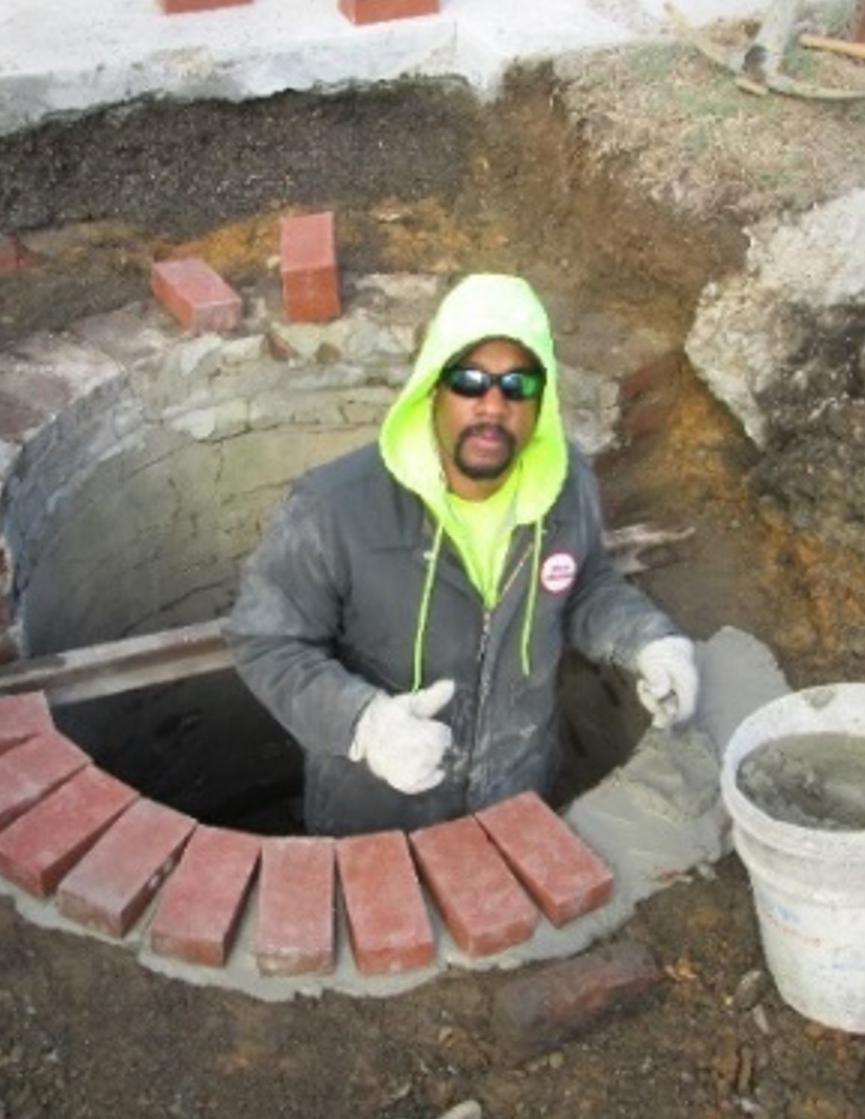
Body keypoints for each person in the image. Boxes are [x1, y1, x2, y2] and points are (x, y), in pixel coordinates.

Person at [225, 272, 698, 837]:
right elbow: (266, 641)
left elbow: (583, 583)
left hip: (515, 798)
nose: (492, 405)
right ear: (433, 386)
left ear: (540, 397)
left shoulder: (564, 484)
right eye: (469, 381)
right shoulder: (333, 510)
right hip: (375, 815)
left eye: (517, 384)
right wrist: (364, 724)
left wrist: (649, 641)